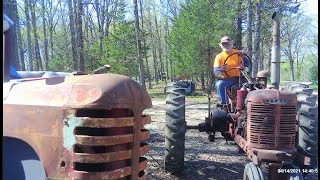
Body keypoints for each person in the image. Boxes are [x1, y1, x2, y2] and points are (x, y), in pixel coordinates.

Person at [213, 36, 249, 106]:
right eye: (224, 44)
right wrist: (221, 69)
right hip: (227, 80)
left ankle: (247, 105)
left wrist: (243, 58)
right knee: (219, 84)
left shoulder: (238, 54)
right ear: (221, 45)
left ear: (231, 43)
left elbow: (247, 65)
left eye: (227, 43)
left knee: (251, 86)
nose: (226, 45)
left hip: (240, 79)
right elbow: (216, 73)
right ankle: (225, 105)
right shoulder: (219, 57)